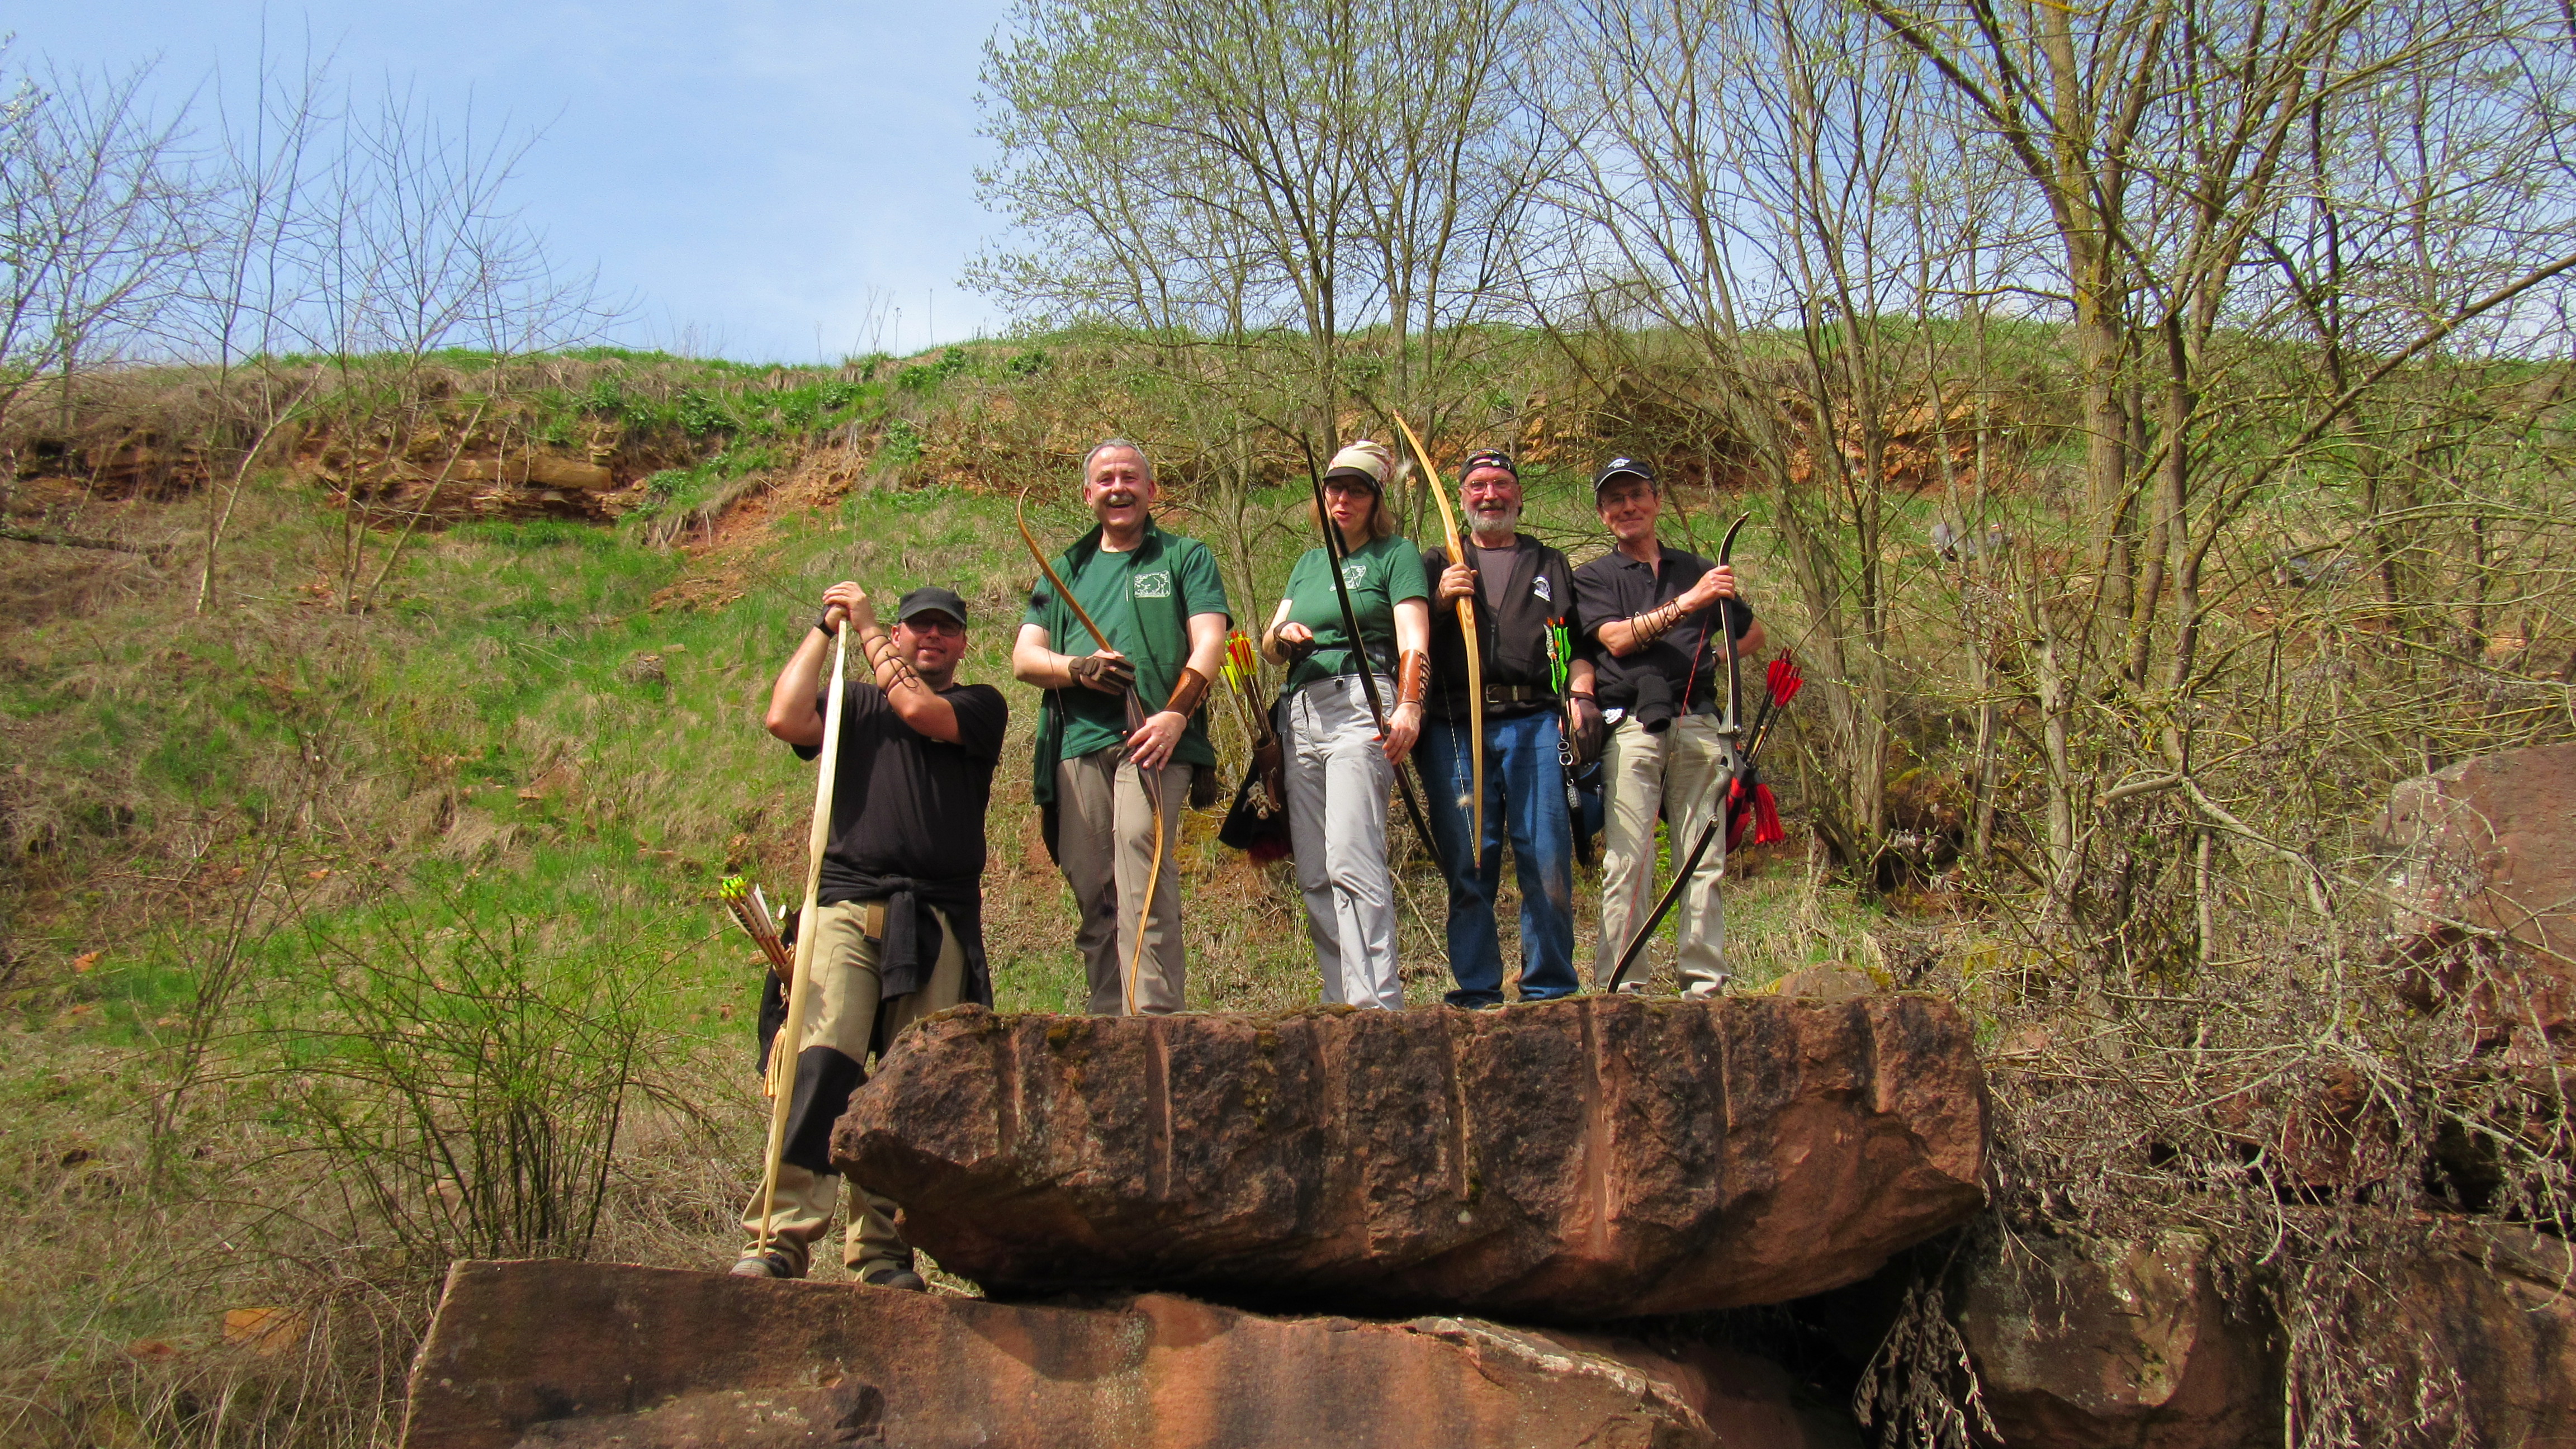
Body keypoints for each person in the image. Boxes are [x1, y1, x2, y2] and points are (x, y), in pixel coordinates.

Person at [731, 583, 1008, 1289]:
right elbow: (784, 716)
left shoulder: (980, 706)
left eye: (945, 629)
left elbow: (916, 709)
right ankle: (779, 1238)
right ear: (904, 635)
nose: (931, 638)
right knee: (820, 1066)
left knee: (910, 1089)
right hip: (846, 908)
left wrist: (867, 624)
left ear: (963, 643)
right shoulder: (854, 704)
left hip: (937, 919)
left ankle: (883, 1253)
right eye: (919, 627)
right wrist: (825, 629)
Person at [1014, 439, 1231, 1015]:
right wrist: (1078, 669)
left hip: (1155, 741)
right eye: (1106, 479)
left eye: (1130, 478)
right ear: (1088, 494)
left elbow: (1210, 641)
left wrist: (1176, 714)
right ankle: (1108, 1024)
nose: (1118, 488)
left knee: (1142, 864)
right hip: (1079, 744)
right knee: (1094, 888)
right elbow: (1025, 659)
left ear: (1151, 489)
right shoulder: (1064, 568)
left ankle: (1154, 1022)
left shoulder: (1186, 556)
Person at [1573, 457, 1767, 999]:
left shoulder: (1696, 567)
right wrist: (1692, 603)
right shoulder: (1594, 576)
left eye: (1637, 495)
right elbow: (1615, 640)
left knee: (1702, 858)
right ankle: (1623, 988)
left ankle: (1704, 986)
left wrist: (1712, 657)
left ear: (1656, 501)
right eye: (1615, 500)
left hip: (1699, 722)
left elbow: (1753, 636)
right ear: (1603, 514)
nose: (1627, 507)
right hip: (1631, 725)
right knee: (1628, 861)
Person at [1260, 440, 1431, 1010]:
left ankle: (1376, 1005)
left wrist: (1409, 705)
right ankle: (1339, 1002)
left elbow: (1413, 638)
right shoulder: (1309, 564)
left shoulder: (1395, 554)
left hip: (1360, 704)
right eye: (1335, 488)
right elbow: (1269, 644)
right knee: (1314, 870)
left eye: (1357, 490)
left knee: (1352, 858)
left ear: (1376, 500)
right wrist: (1283, 637)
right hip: (1300, 714)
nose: (1343, 499)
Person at [1418, 449, 1583, 1007]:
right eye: (1478, 485)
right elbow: (1405, 636)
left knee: (1546, 856)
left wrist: (1579, 698)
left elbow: (1575, 644)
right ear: (1461, 498)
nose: (1490, 495)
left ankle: (1550, 989)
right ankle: (1478, 991)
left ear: (1519, 495)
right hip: (1455, 727)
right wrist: (1440, 600)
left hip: (1535, 721)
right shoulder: (1436, 560)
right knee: (1469, 861)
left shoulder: (1549, 562)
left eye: (1502, 484)